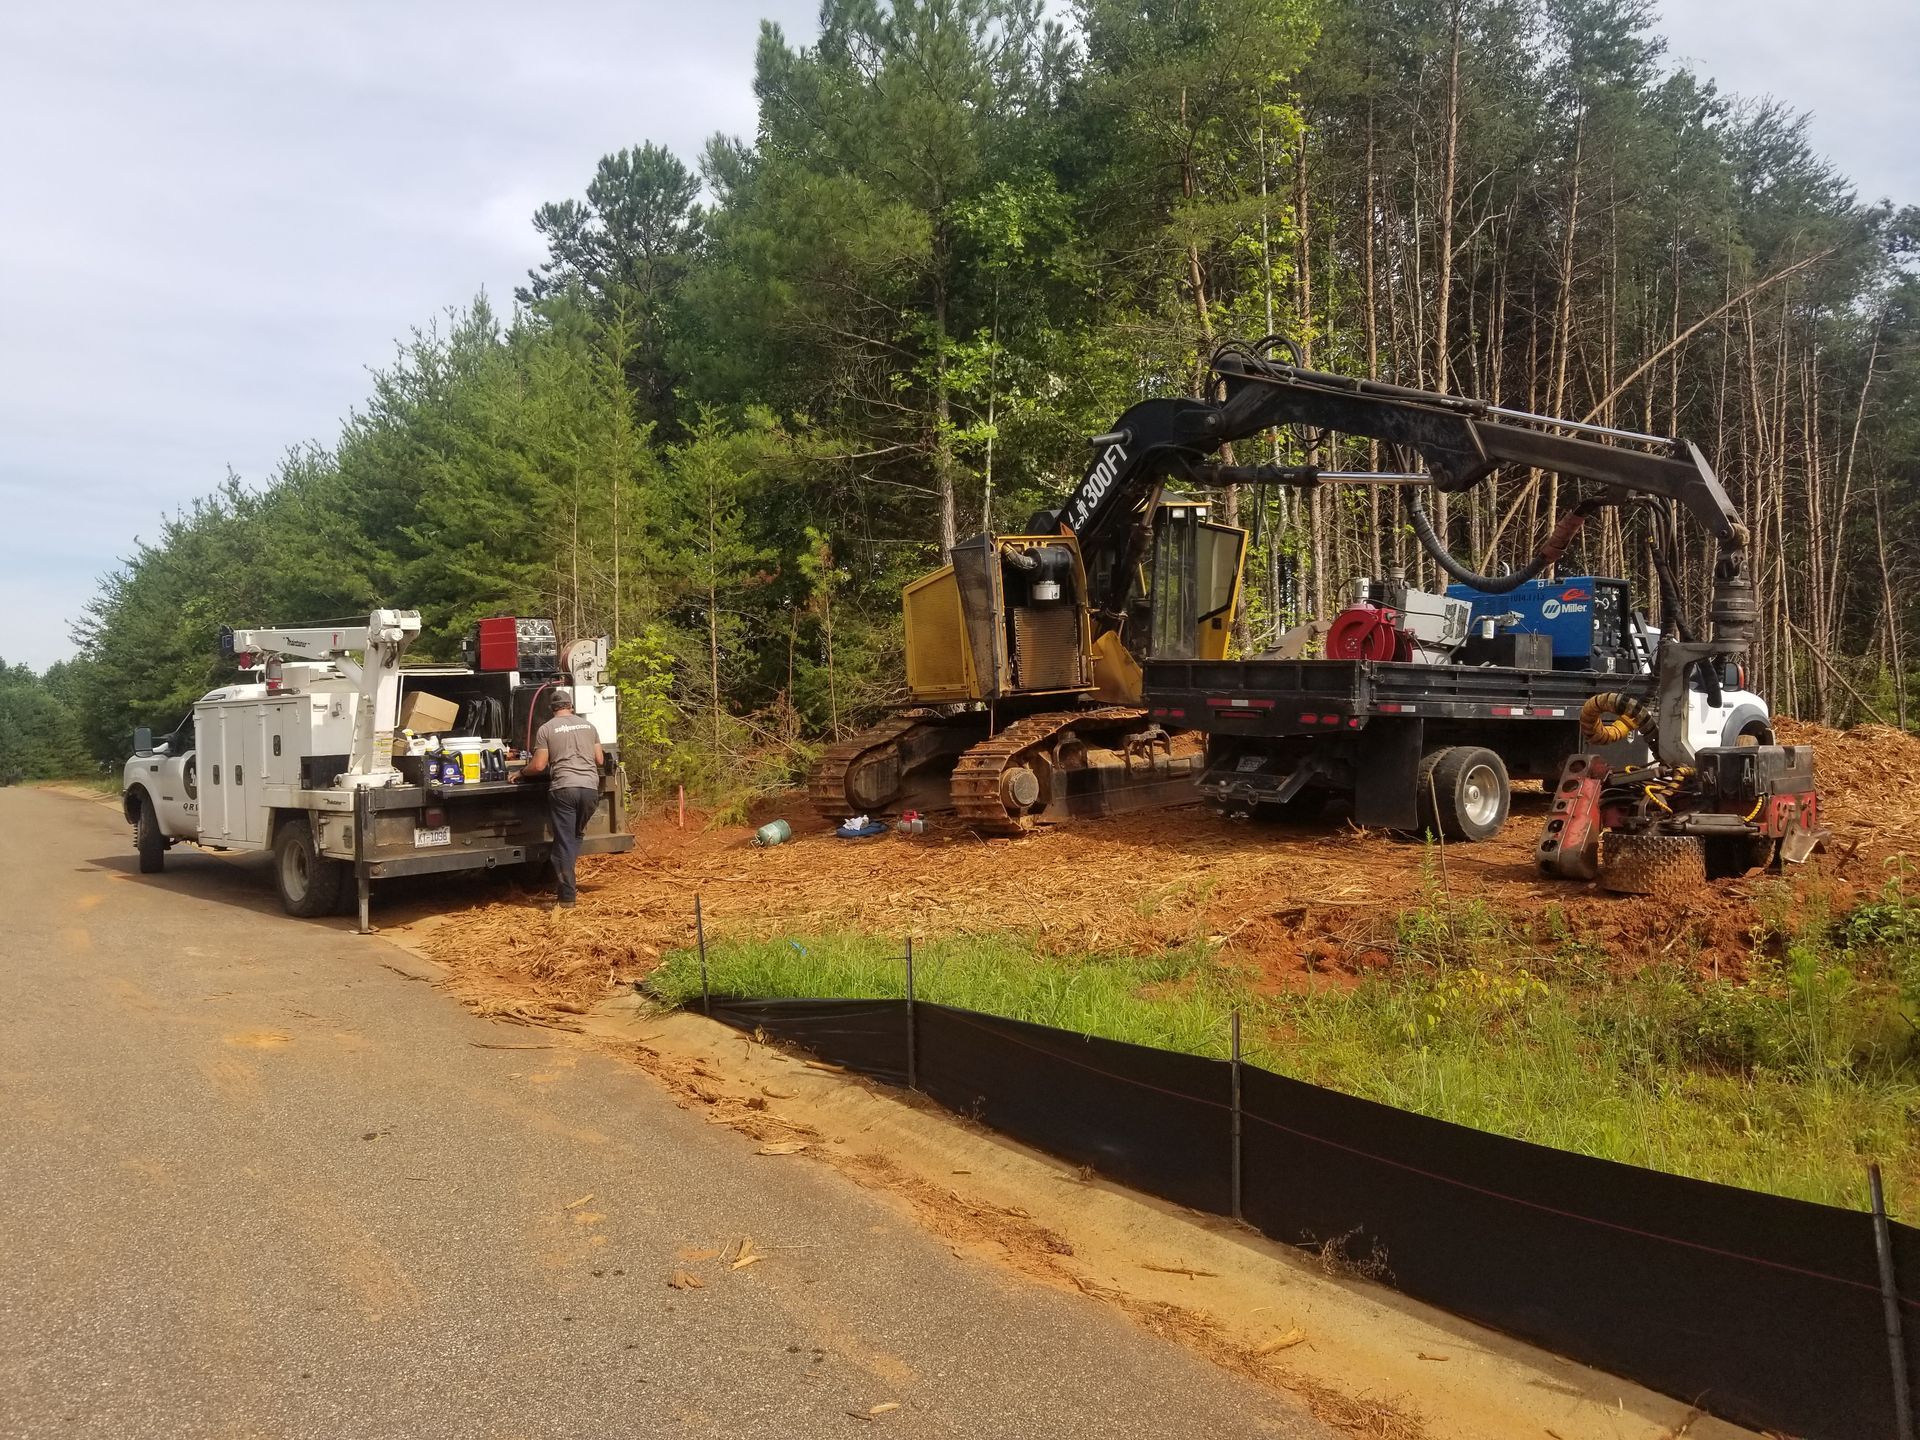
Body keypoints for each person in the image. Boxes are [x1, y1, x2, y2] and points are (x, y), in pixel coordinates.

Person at [511, 688, 604, 909]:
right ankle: (567, 881)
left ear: (552, 709)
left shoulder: (546, 729)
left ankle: (567, 898)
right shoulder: (590, 727)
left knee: (563, 843)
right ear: (571, 706)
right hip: (590, 789)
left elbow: (539, 765)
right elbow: (599, 759)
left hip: (564, 790)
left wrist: (521, 773)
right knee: (574, 837)